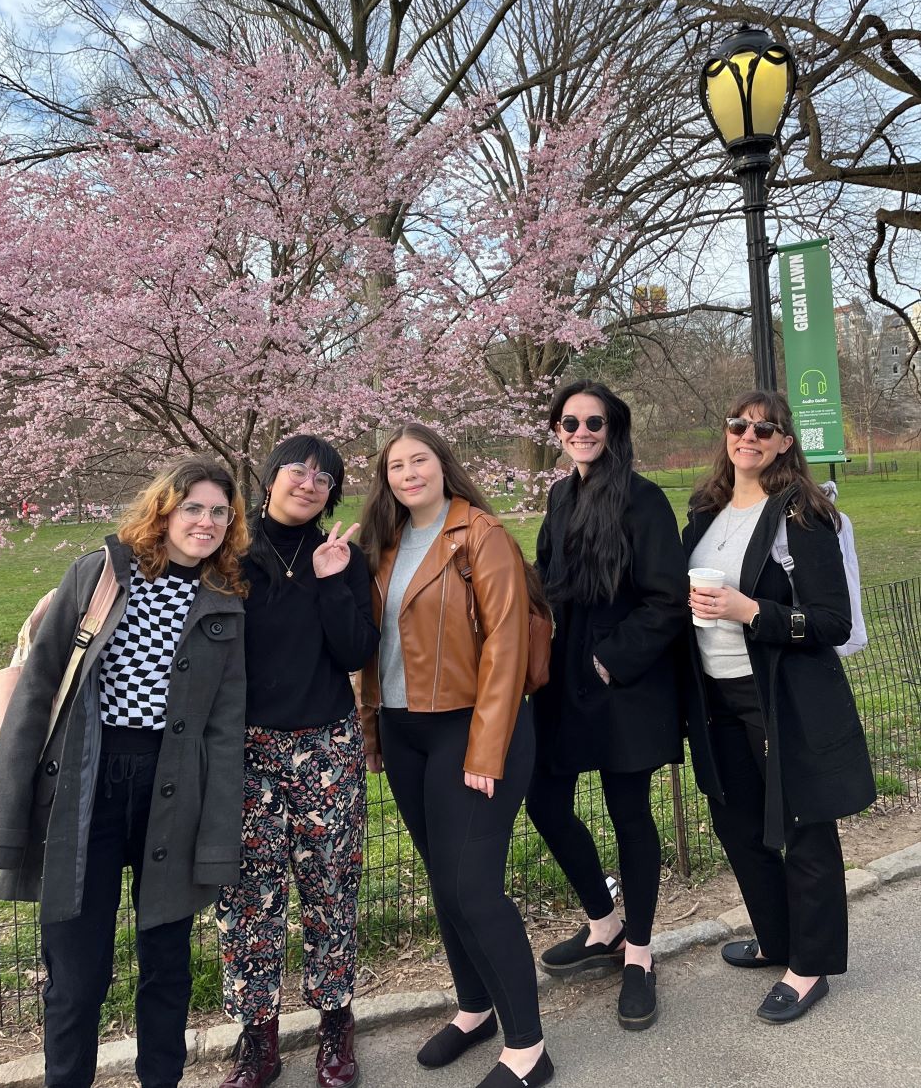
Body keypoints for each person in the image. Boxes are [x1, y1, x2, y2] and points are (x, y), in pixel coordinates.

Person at [0, 458, 250, 1088]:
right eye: (193, 508)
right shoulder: (96, 577)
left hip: (172, 790)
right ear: (164, 512)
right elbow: (37, 691)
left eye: (219, 512)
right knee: (75, 969)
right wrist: (5, 814)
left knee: (167, 965)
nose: (206, 522)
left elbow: (225, 731)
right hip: (84, 789)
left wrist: (216, 840)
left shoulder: (224, 604)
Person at [358, 424, 553, 1088]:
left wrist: (487, 744)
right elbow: (373, 646)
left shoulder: (480, 534)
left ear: (443, 465)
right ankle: (475, 1008)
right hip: (406, 729)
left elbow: (506, 645)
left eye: (420, 460)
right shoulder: (381, 545)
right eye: (396, 465)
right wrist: (373, 731)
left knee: (473, 886)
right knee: (444, 879)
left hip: (471, 726)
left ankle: (529, 1046)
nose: (409, 472)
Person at [683, 390, 875, 1023]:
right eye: (740, 425)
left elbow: (832, 620)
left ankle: (811, 964)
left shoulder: (802, 514)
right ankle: (778, 939)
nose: (750, 436)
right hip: (716, 694)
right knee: (738, 825)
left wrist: (752, 612)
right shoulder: (706, 511)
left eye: (766, 430)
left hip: (780, 698)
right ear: (726, 432)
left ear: (785, 443)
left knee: (802, 827)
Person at [216, 435, 378, 1088]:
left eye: (325, 477)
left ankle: (337, 1026)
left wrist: (336, 581)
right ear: (271, 475)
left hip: (326, 747)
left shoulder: (340, 556)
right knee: (250, 898)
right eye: (299, 468)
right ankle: (259, 1038)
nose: (310, 482)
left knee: (331, 889)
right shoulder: (229, 552)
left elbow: (355, 649)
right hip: (246, 750)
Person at [525, 380, 687, 1032]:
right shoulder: (560, 494)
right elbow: (543, 579)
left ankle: (640, 953)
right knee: (545, 800)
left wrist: (610, 658)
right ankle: (604, 922)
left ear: (614, 428)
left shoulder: (644, 499)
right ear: (558, 430)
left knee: (629, 813)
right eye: (570, 421)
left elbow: (668, 597)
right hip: (564, 678)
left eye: (595, 421)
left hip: (625, 680)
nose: (582, 430)